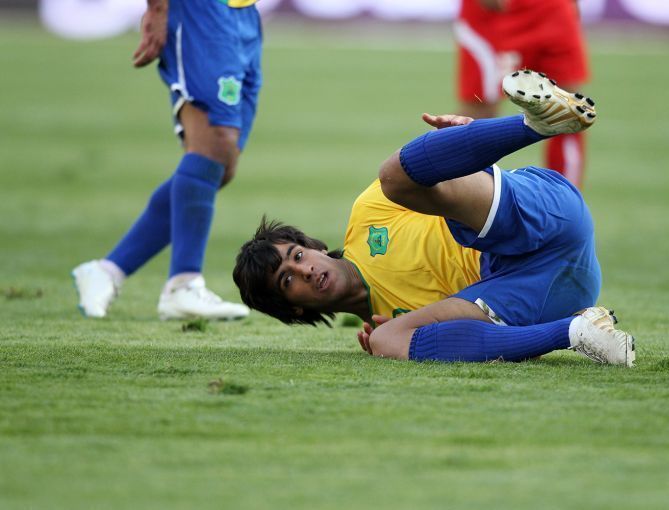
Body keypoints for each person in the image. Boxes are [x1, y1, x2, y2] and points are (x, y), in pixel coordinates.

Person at [233, 70, 634, 366]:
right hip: (555, 293)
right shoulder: (389, 327)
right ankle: (579, 332)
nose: (303, 270)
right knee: (389, 340)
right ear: (294, 310)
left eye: (297, 256)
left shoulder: (368, 213)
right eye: (287, 280)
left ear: (315, 247)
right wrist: (402, 338)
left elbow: (430, 180)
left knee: (394, 177)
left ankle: (535, 125)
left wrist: (458, 145)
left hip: (540, 216)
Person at [72, 0, 263, 320]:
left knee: (219, 166)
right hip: (200, 11)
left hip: (244, 13)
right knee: (214, 144)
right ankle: (183, 284)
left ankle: (107, 271)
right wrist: (158, 10)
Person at [455, 0, 590, 187]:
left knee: (568, 111)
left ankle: (565, 198)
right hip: (497, 13)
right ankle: (440, 187)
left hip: (554, 9)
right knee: (478, 112)